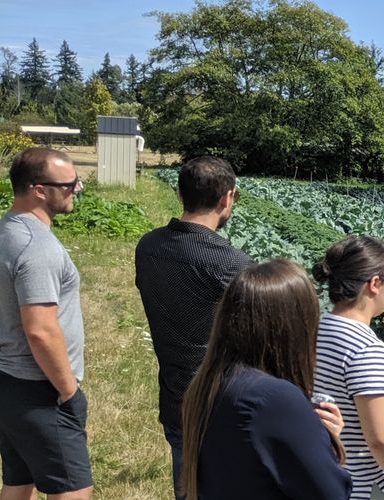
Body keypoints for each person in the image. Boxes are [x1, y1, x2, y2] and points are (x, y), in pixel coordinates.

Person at [179, 260, 351, 499]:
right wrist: (326, 440)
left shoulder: (213, 381)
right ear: (295, 325)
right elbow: (331, 494)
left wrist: (308, 433)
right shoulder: (274, 399)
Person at [135, 155, 254, 498]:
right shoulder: (232, 264)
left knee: (186, 486)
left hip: (175, 395)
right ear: (226, 198)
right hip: (223, 403)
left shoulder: (149, 246)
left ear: (179, 193)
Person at [0, 147, 92, 500]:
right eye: (69, 184)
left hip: (8, 382)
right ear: (39, 189)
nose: (77, 188)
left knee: (19, 484)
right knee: (73, 491)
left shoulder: (5, 230)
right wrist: (69, 392)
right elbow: (39, 329)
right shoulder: (36, 246)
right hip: (39, 389)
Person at [312, 235, 384, 500]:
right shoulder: (365, 351)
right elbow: (381, 437)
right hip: (370, 487)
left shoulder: (317, 329)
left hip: (331, 474)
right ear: (375, 284)